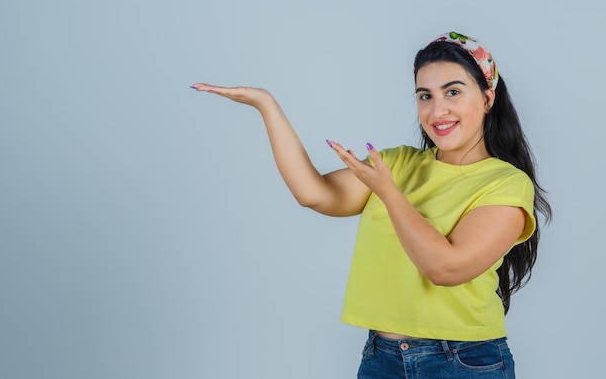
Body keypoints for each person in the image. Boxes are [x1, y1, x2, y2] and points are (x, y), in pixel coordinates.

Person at [191, 31, 551, 379]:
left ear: (488, 98)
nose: (437, 110)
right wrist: (267, 106)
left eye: (452, 92)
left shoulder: (505, 183)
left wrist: (389, 193)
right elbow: (314, 193)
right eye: (424, 96)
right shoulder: (397, 163)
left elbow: (445, 269)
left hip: (461, 361)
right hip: (382, 359)